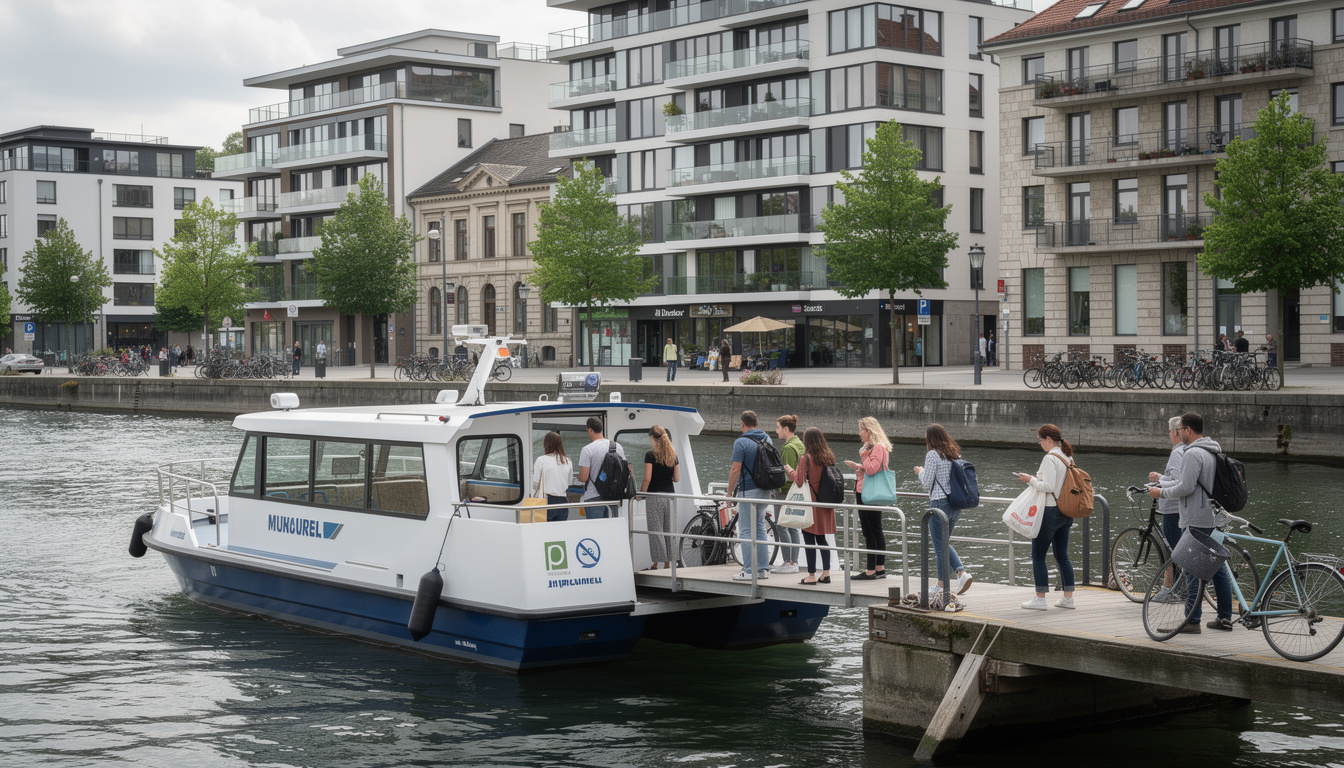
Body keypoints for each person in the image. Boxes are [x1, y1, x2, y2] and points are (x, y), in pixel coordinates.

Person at [1148, 412, 1234, 633]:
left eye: (1181, 429)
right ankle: (1225, 617)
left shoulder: (1193, 453)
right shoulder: (1213, 450)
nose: (1178, 433)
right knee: (1217, 569)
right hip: (1212, 516)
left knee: (1192, 567)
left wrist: (1161, 493)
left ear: (1187, 430)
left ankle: (1192, 620)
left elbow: (1185, 487)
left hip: (1197, 517)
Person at [1015, 424, 1077, 611]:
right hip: (1066, 511)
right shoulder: (1068, 457)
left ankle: (1040, 598)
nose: (1040, 443)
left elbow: (1048, 486)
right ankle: (1068, 598)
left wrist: (1030, 480)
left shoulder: (1050, 458)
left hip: (1050, 511)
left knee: (1038, 555)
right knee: (1062, 555)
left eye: (1040, 439)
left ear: (1048, 439)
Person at [915, 423, 973, 600]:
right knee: (943, 543)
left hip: (939, 504)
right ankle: (959, 574)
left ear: (929, 438)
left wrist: (920, 471)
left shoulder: (932, 454)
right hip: (954, 505)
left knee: (940, 545)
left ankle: (943, 583)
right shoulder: (952, 454)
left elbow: (927, 482)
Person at [725, 410, 773, 581]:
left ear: (742, 424)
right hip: (765, 489)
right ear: (757, 423)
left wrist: (729, 492)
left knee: (746, 531)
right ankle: (762, 569)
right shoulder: (767, 438)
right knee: (760, 528)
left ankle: (748, 571)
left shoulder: (741, 442)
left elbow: (735, 469)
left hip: (748, 491)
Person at [843, 416, 890, 580]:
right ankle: (879, 568)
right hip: (870, 492)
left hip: (868, 493)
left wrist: (862, 457)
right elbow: (872, 469)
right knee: (875, 530)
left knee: (870, 531)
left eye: (861, 430)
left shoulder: (876, 447)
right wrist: (859, 466)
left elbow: (871, 469)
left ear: (868, 431)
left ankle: (871, 570)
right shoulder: (878, 447)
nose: (859, 433)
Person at [792, 427, 838, 585]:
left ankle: (811, 575)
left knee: (809, 540)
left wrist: (790, 471)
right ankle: (826, 573)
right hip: (824, 503)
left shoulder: (806, 458)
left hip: (810, 504)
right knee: (822, 539)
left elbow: (799, 480)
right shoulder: (828, 456)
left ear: (807, 441)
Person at [640, 425, 680, 569]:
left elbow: (647, 479)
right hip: (670, 496)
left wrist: (641, 494)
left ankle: (656, 564)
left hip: (655, 496)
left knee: (656, 531)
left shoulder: (650, 455)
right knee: (670, 530)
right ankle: (668, 565)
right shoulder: (673, 455)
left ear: (652, 437)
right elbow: (677, 478)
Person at [1148, 416, 1188, 553]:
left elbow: (1178, 481)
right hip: (1182, 508)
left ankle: (1177, 575)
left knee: (1174, 552)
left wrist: (1159, 489)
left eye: (1169, 431)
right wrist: (1160, 477)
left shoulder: (1177, 452)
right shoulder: (1187, 449)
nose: (1169, 434)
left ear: (1175, 432)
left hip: (1173, 509)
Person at [577, 416, 628, 519]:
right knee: (610, 531)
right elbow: (625, 469)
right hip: (613, 497)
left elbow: (583, 477)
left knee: (595, 532)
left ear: (590, 430)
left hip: (593, 498)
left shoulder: (587, 449)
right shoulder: (617, 446)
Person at [772, 414, 804, 575]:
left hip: (785, 492)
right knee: (793, 527)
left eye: (778, 428)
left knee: (782, 526)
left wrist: (774, 488)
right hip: (796, 493)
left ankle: (789, 562)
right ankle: (794, 561)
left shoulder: (788, 448)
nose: (776, 431)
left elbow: (786, 474)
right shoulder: (799, 444)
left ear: (785, 429)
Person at [532, 431, 574, 523]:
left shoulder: (541, 460)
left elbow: (535, 484)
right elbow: (569, 483)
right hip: (563, 501)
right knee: (560, 533)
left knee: (545, 533)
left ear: (546, 444)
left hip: (547, 501)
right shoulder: (568, 461)